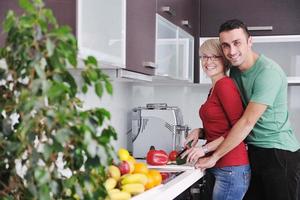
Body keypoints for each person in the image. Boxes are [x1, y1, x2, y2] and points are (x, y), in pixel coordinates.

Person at [195, 19, 300, 200]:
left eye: (237, 43)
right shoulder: (235, 71)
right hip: (252, 150)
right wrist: (202, 131)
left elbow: (246, 122)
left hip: (277, 153)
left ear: (250, 41)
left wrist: (214, 156)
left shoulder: (268, 73)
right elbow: (234, 116)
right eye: (226, 46)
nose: (232, 51)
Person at [182, 38, 250, 200]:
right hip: (221, 166)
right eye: (204, 57)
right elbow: (221, 126)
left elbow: (237, 129)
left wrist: (203, 150)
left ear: (224, 60)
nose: (208, 61)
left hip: (231, 167)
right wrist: (200, 132)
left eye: (214, 57)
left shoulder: (224, 85)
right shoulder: (215, 87)